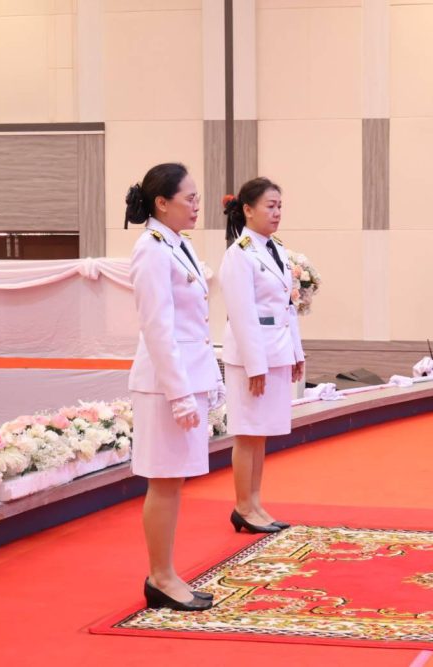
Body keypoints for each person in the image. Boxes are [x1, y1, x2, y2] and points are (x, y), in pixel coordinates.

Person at [125, 162, 223, 611]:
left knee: (173, 480)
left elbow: (195, 319)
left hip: (185, 375)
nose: (196, 205)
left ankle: (165, 572)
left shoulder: (177, 243)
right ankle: (160, 577)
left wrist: (209, 379)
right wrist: (179, 393)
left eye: (197, 197)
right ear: (162, 203)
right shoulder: (151, 249)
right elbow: (157, 327)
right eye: (189, 198)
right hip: (164, 384)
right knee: (164, 481)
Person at [220, 177, 305, 534]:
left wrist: (297, 352)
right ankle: (243, 506)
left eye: (280, 206)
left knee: (262, 434)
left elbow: (287, 307)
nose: (277, 212)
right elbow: (241, 314)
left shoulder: (276, 250)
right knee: (247, 432)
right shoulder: (239, 254)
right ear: (248, 210)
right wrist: (255, 365)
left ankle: (255, 503)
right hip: (250, 358)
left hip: (276, 350)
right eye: (270, 206)